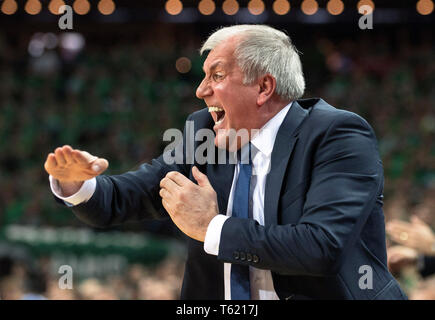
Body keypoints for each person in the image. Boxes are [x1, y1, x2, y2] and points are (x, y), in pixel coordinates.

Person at [44, 25, 407, 300]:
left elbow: (322, 248)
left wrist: (212, 227)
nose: (201, 90)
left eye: (216, 76)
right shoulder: (203, 129)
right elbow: (128, 196)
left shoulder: (338, 134)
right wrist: (79, 184)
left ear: (264, 88)